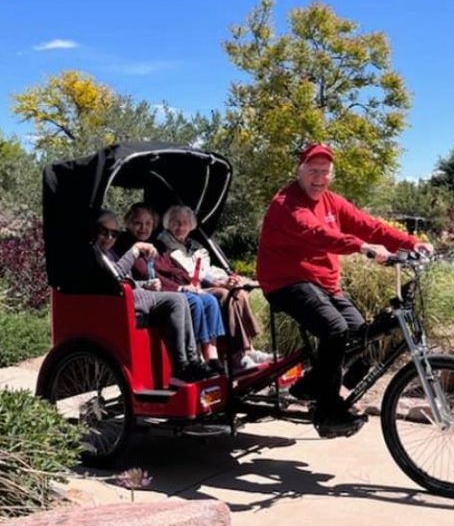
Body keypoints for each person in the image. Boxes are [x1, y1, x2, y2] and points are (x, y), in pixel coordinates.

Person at [256, 143, 433, 436]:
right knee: (335, 329)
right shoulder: (286, 204)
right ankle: (327, 414)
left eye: (324, 172)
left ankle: (315, 386)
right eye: (313, 171)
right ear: (299, 171)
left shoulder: (333, 202)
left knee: (361, 334)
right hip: (286, 281)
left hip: (324, 284)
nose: (319, 177)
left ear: (331, 175)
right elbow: (317, 234)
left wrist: (412, 243)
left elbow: (371, 227)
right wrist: (360, 247)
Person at [93, 210, 215, 385]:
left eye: (114, 233)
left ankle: (192, 361)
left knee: (180, 299)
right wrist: (135, 251)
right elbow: (115, 278)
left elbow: (128, 280)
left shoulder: (110, 252)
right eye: (104, 232)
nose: (109, 237)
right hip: (119, 300)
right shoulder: (97, 253)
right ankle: (180, 367)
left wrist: (145, 285)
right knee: (177, 300)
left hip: (133, 293)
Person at [153, 205, 269, 371]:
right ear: (167, 224)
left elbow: (207, 269)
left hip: (200, 284)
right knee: (223, 294)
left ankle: (248, 350)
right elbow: (192, 273)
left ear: (191, 225)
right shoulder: (164, 245)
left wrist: (227, 278)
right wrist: (219, 283)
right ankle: (236, 356)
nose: (180, 227)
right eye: (176, 222)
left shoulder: (194, 245)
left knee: (239, 293)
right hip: (186, 287)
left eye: (185, 223)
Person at [125, 205, 226, 374]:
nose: (144, 228)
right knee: (192, 301)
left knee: (209, 300)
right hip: (150, 294)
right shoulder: (129, 246)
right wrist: (180, 288)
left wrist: (191, 285)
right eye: (138, 223)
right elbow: (147, 274)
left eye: (148, 223)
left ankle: (212, 355)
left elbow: (172, 269)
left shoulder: (156, 244)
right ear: (128, 223)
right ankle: (194, 356)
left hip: (166, 288)